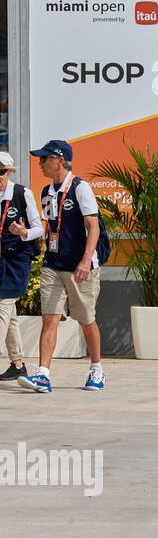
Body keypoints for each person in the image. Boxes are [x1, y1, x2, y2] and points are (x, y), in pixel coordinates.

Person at [19, 140, 106, 393]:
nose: (40, 164)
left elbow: (94, 227)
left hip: (81, 267)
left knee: (86, 320)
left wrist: (85, 261)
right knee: (49, 319)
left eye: (44, 159)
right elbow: (51, 228)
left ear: (59, 160)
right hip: (53, 265)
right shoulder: (46, 192)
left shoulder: (81, 188)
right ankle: (43, 374)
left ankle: (97, 369)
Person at [0, 152, 43, 382]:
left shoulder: (22, 193)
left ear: (10, 172)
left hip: (17, 260)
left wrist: (24, 232)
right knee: (11, 315)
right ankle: (17, 364)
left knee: (2, 308)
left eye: (1, 171)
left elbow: (39, 228)